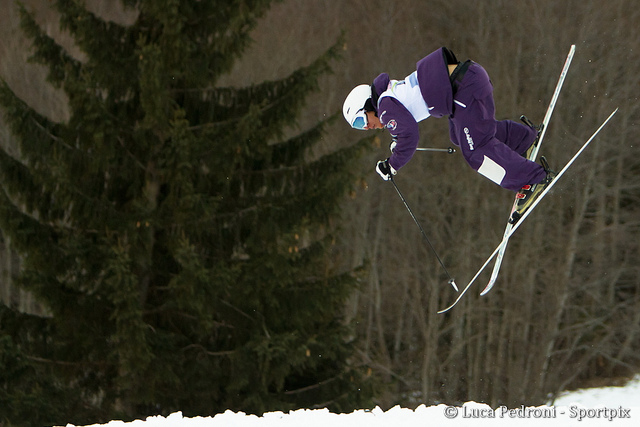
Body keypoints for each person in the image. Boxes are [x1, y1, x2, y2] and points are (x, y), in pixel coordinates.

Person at [343, 47, 555, 221]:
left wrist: (392, 165)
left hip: (464, 90)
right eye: (358, 127)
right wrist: (398, 143)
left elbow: (409, 136)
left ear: (367, 105)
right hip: (470, 79)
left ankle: (533, 180)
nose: (366, 128)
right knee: (460, 136)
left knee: (475, 151)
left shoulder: (384, 106)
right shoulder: (389, 96)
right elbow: (404, 126)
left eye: (361, 121)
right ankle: (523, 141)